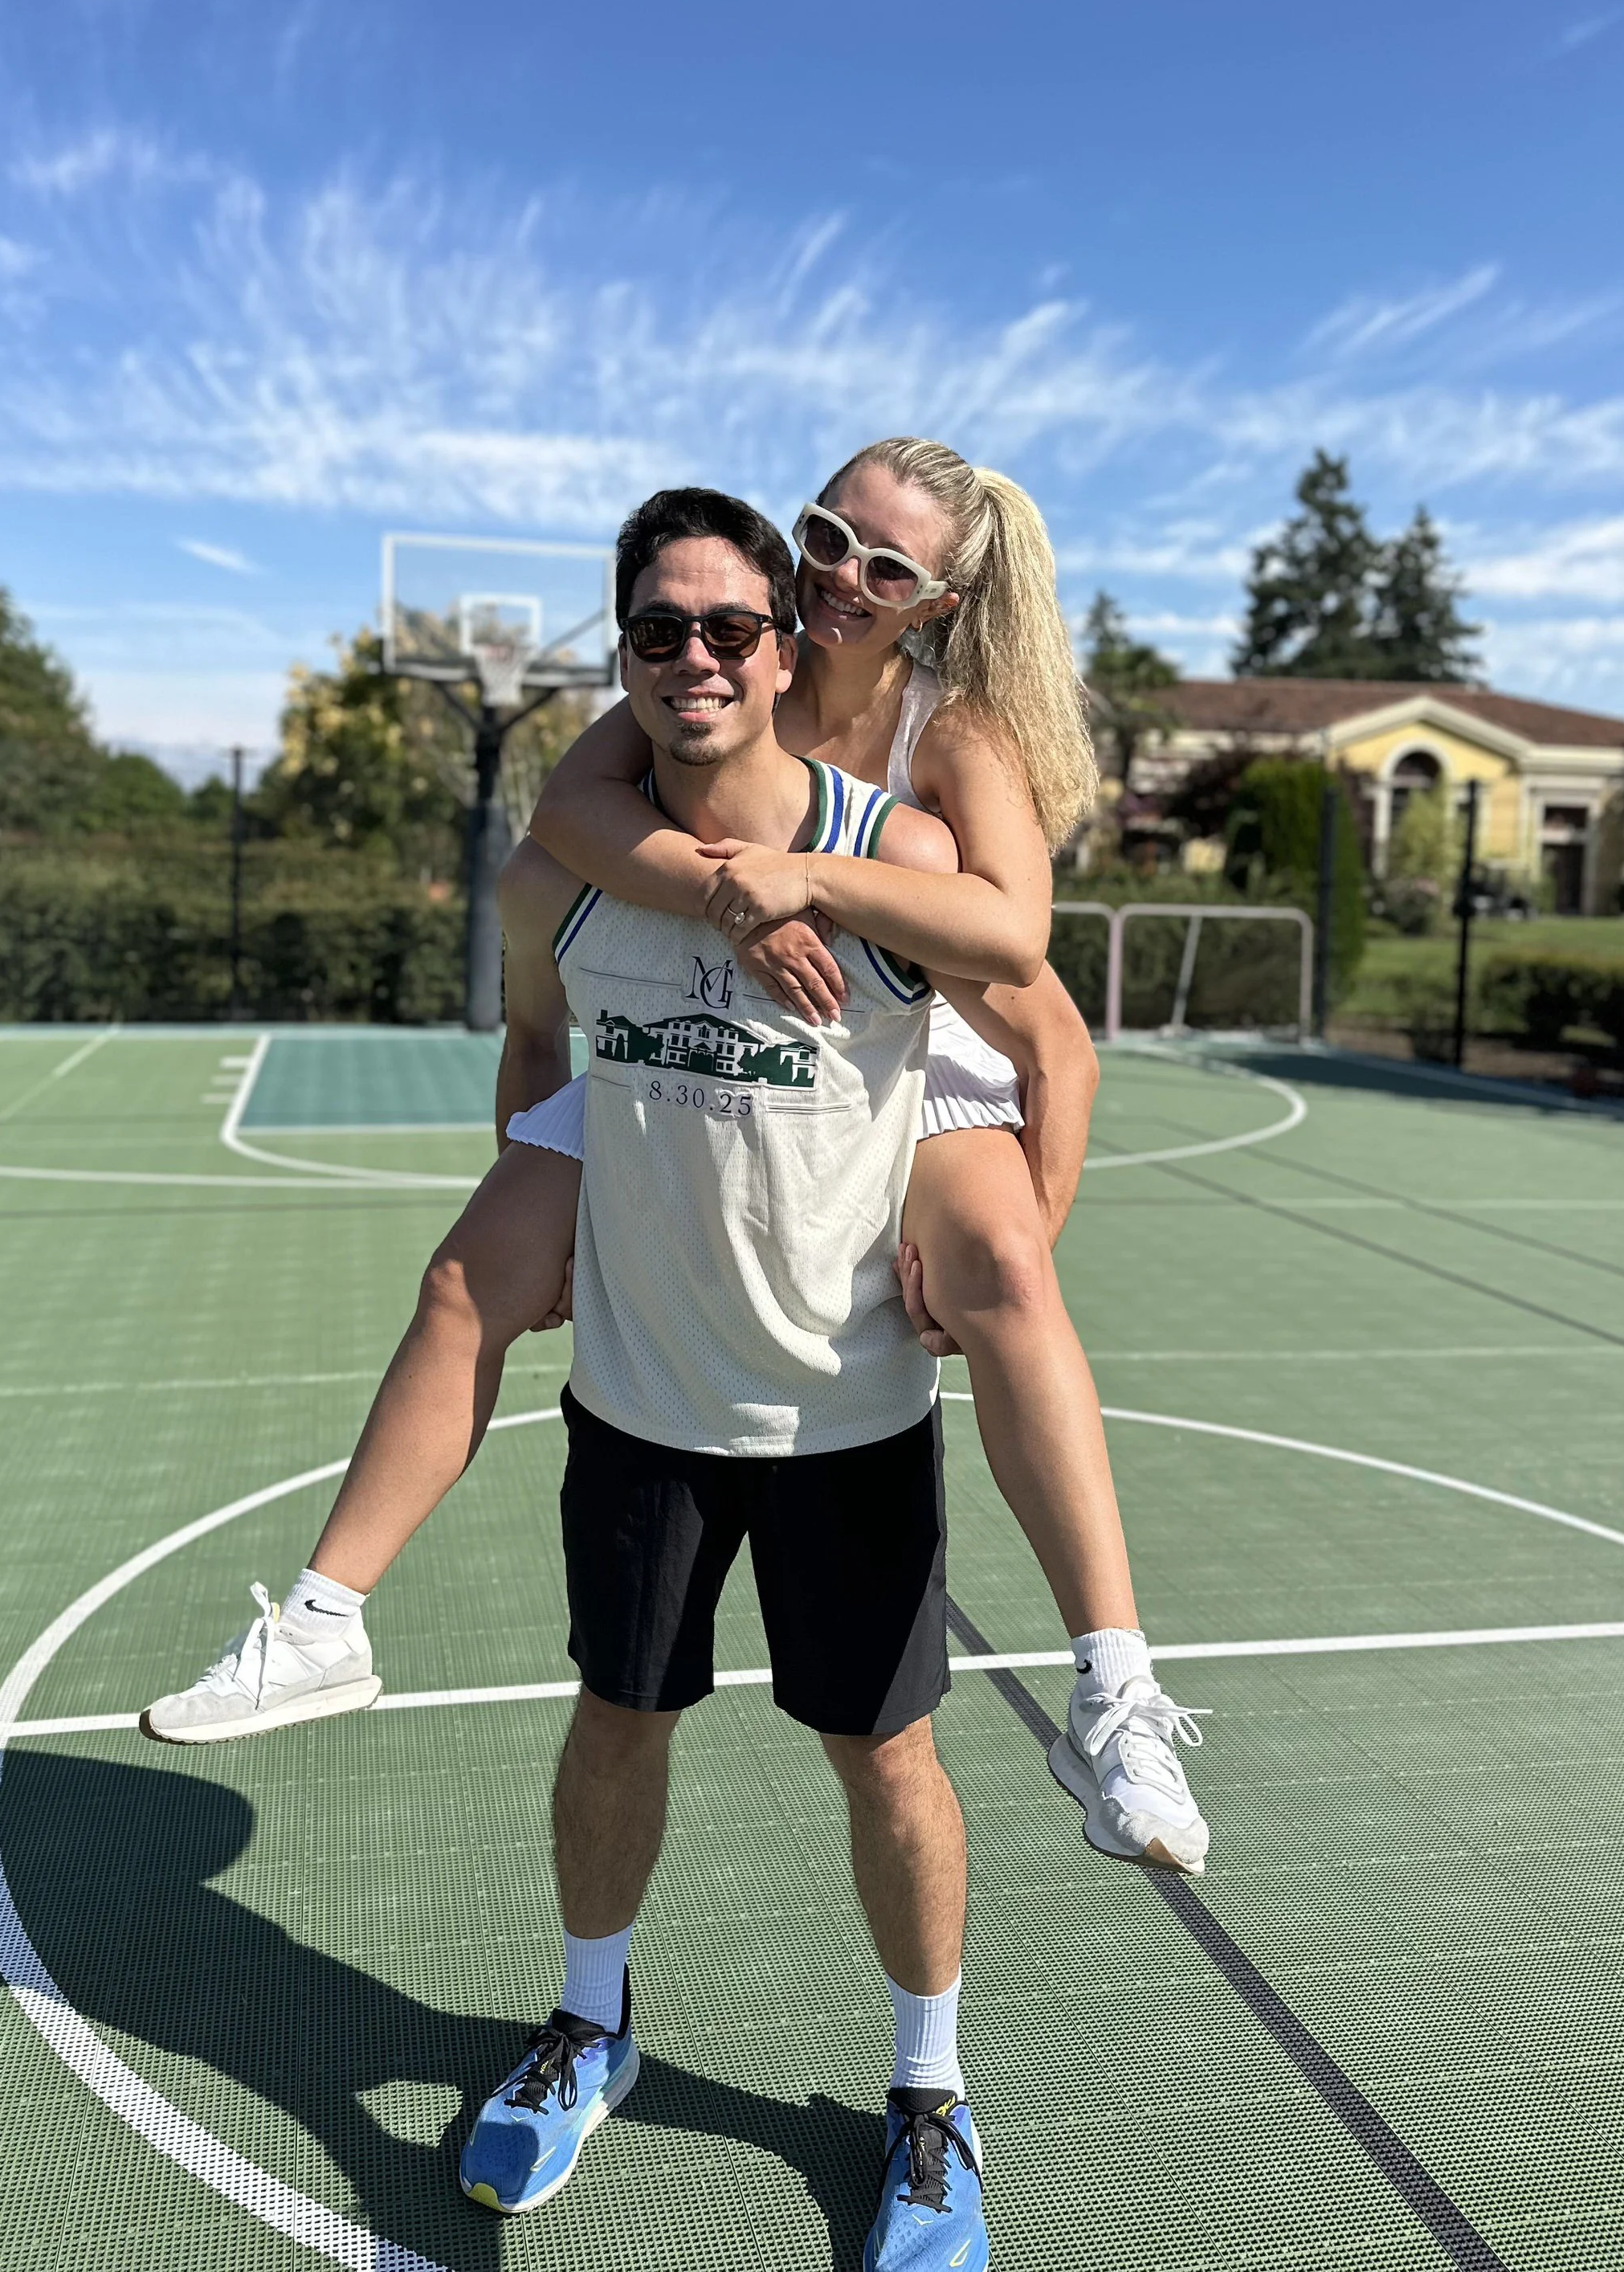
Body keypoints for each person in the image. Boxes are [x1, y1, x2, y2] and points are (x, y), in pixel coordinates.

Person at [146, 441, 1207, 1877]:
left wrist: (815, 884)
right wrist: (732, 904)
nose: (844, 578)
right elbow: (567, 821)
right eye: (829, 537)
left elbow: (1030, 981)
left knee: (1009, 1272)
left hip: (906, 1052)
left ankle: (1113, 1687)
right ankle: (326, 1621)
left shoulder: (944, 741)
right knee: (474, 1273)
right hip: (684, 1031)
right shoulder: (688, 685)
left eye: (887, 569)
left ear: (937, 601)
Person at [468, 489, 996, 2264]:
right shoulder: (564, 862)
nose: (691, 656)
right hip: (637, 1403)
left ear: (787, 648)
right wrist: (534, 1178)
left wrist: (1018, 1232)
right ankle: (589, 2019)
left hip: (845, 1414)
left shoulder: (894, 850)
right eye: (653, 629)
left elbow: (1028, 977)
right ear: (620, 655)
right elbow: (532, 1024)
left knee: (887, 1760)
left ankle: (926, 2095)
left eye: (725, 628)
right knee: (616, 1723)